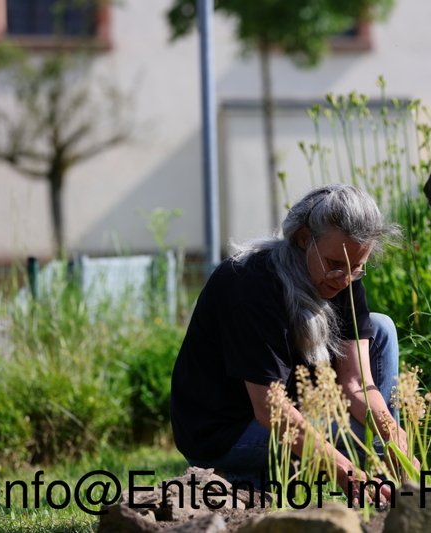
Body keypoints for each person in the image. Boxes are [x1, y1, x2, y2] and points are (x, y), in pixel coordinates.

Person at [169, 184, 414, 504]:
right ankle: (240, 476)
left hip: (289, 415)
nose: (343, 280)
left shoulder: (345, 275)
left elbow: (356, 383)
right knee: (362, 436)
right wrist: (345, 473)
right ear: (303, 238)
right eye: (334, 265)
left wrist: (395, 439)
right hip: (227, 433)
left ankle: (380, 481)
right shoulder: (251, 286)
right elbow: (270, 409)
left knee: (380, 328)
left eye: (356, 269)